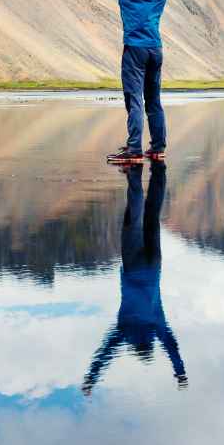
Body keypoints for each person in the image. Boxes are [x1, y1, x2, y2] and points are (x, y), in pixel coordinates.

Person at [82, 0, 191, 163]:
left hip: (134, 50)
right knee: (154, 100)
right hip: (155, 49)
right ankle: (158, 147)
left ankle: (134, 150)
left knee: (134, 99)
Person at [82, 162, 186, 395]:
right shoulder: (125, 331)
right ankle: (134, 172)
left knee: (151, 215)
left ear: (149, 344)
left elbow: (171, 347)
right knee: (134, 216)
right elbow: (105, 352)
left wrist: (180, 372)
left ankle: (159, 170)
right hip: (132, 265)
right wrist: (91, 377)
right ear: (135, 346)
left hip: (153, 265)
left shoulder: (157, 327)